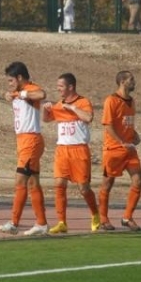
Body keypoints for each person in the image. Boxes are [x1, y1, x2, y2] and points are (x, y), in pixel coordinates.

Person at [42, 73, 100, 233]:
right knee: (59, 184)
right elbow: (47, 119)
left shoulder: (83, 102)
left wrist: (73, 108)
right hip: (62, 150)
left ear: (70, 87)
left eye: (61, 86)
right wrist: (46, 110)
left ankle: (95, 214)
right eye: (58, 86)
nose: (58, 89)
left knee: (84, 188)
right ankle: (62, 222)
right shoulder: (59, 105)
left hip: (79, 150)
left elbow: (88, 118)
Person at [0, 61, 49, 236]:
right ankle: (41, 223)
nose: (9, 84)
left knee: (20, 181)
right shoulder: (17, 92)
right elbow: (11, 95)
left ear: (20, 78)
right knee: (33, 182)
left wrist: (21, 93)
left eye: (11, 80)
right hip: (22, 141)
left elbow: (41, 94)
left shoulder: (30, 89)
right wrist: (10, 94)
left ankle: (14, 223)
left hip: (31, 140)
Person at [98, 70, 141, 231]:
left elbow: (126, 123)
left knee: (138, 180)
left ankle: (127, 217)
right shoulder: (111, 100)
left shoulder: (132, 101)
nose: (134, 82)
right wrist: (121, 142)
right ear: (122, 82)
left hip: (129, 150)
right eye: (131, 79)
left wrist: (135, 135)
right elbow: (108, 125)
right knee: (107, 183)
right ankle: (103, 218)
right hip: (113, 149)